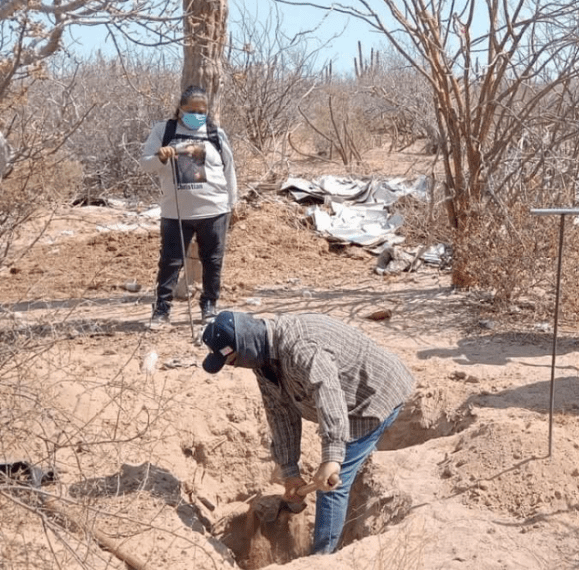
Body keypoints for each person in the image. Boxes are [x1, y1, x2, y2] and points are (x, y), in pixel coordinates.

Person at [200, 311, 415, 556]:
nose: (233, 366)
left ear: (246, 348)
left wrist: (332, 458)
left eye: (231, 360)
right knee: (337, 468)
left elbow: (330, 396)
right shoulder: (262, 361)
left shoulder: (300, 348)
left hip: (372, 396)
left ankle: (322, 557)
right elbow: (280, 414)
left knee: (332, 484)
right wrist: (290, 472)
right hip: (349, 396)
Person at [141, 85, 237, 326]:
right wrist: (160, 157)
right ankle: (162, 310)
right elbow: (145, 164)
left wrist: (233, 203)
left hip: (214, 209)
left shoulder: (215, 133)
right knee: (170, 261)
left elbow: (229, 169)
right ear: (180, 109)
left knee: (213, 260)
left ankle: (209, 306)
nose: (196, 114)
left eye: (201, 110)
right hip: (176, 212)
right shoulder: (164, 131)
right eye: (191, 110)